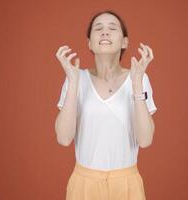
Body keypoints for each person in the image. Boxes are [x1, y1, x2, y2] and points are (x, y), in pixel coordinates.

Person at [55, 10, 157, 200]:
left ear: (125, 41)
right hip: (84, 184)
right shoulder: (76, 78)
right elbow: (63, 138)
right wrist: (73, 84)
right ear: (89, 43)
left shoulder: (139, 78)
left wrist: (136, 85)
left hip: (127, 184)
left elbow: (145, 140)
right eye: (98, 28)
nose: (105, 32)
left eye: (112, 28)